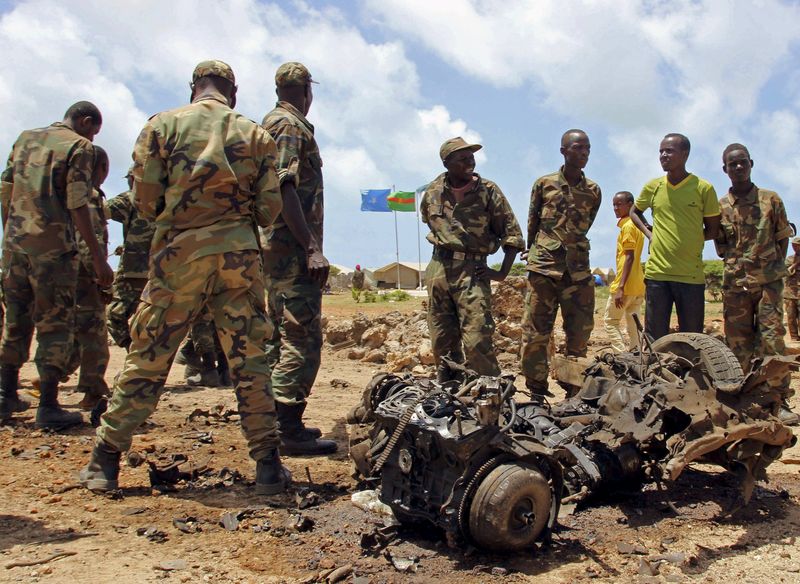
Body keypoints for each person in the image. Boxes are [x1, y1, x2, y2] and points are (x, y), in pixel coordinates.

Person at [80, 60, 290, 495]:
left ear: (194, 87)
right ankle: (268, 466)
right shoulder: (256, 134)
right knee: (250, 361)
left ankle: (105, 460)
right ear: (232, 91)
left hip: (179, 256)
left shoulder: (162, 126)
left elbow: (145, 200)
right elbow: (270, 211)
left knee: (150, 355)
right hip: (239, 257)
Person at [0, 101, 113, 428]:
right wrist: (97, 256)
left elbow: (6, 190)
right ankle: (48, 405)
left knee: (17, 320)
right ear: (85, 121)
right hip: (54, 250)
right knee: (55, 323)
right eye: (93, 131)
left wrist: (11, 235)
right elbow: (77, 202)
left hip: (15, 247)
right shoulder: (79, 147)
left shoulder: (25, 138)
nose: (92, 139)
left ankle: (6, 394)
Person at [261, 62, 336, 456]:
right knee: (301, 338)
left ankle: (277, 422)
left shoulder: (271, 122)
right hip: (291, 251)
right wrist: (311, 247)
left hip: (276, 250)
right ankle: (287, 429)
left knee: (279, 335)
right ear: (307, 90)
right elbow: (283, 184)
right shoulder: (289, 126)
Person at [420, 137, 525, 380]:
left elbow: (512, 234)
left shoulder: (488, 191)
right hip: (439, 268)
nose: (471, 162)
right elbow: (431, 223)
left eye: (472, 157)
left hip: (473, 268)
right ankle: (451, 394)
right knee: (441, 339)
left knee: (477, 337)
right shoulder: (433, 191)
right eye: (463, 158)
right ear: (447, 163)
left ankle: (490, 395)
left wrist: (502, 273)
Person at [714, 143, 796, 424]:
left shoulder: (771, 199)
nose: (738, 167)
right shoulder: (720, 207)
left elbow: (783, 236)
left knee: (772, 343)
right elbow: (720, 248)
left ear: (751, 163)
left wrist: (770, 267)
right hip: (735, 287)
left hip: (769, 285)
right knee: (739, 346)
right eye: (732, 164)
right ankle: (745, 403)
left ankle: (778, 402)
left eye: (742, 162)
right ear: (725, 169)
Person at [521, 130, 601, 399]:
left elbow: (586, 225)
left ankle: (574, 391)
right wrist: (533, 250)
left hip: (577, 271)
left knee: (579, 334)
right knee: (536, 333)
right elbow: (533, 221)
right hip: (543, 267)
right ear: (563, 151)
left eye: (587, 149)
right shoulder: (544, 184)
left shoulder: (593, 190)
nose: (584, 153)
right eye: (578, 148)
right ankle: (536, 390)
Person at [631, 133, 720, 340]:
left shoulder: (703, 188)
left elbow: (713, 230)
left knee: (692, 339)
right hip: (657, 275)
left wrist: (690, 240)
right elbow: (635, 211)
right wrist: (649, 233)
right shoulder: (653, 187)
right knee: (655, 338)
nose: (663, 155)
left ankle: (688, 373)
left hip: (690, 275)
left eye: (669, 151)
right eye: (661, 151)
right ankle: (654, 373)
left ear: (685, 154)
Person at [66, 145, 112, 410]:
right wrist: (99, 273)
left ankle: (57, 374)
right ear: (102, 169)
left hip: (67, 273)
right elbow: (89, 239)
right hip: (85, 276)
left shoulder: (70, 194)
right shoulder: (91, 196)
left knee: (74, 330)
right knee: (94, 333)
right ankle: (93, 390)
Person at [106, 166, 156, 351]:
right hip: (165, 268)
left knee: (115, 315)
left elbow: (98, 210)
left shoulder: (131, 198)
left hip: (134, 271)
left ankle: (133, 353)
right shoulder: (168, 198)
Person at [604, 191, 645, 352]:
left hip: (625, 285)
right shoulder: (637, 225)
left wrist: (620, 287)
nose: (615, 208)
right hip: (638, 285)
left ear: (630, 205)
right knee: (634, 324)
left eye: (619, 204)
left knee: (611, 321)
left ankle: (621, 356)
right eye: (614, 205)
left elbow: (629, 257)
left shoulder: (628, 227)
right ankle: (636, 354)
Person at [785, 237, 800, 342]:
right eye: (793, 245)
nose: (794, 247)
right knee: (791, 316)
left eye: (796, 245)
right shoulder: (789, 259)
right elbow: (785, 272)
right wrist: (795, 264)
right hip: (790, 292)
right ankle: (794, 337)